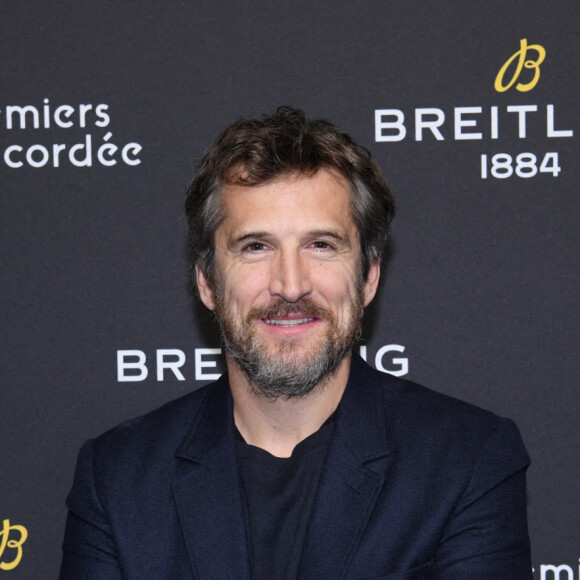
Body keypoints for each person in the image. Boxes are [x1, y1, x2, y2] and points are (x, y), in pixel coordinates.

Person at [60, 107, 532, 579]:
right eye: (256, 247)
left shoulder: (466, 461)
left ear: (368, 276)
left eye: (321, 245)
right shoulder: (118, 478)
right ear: (207, 281)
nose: (290, 285)